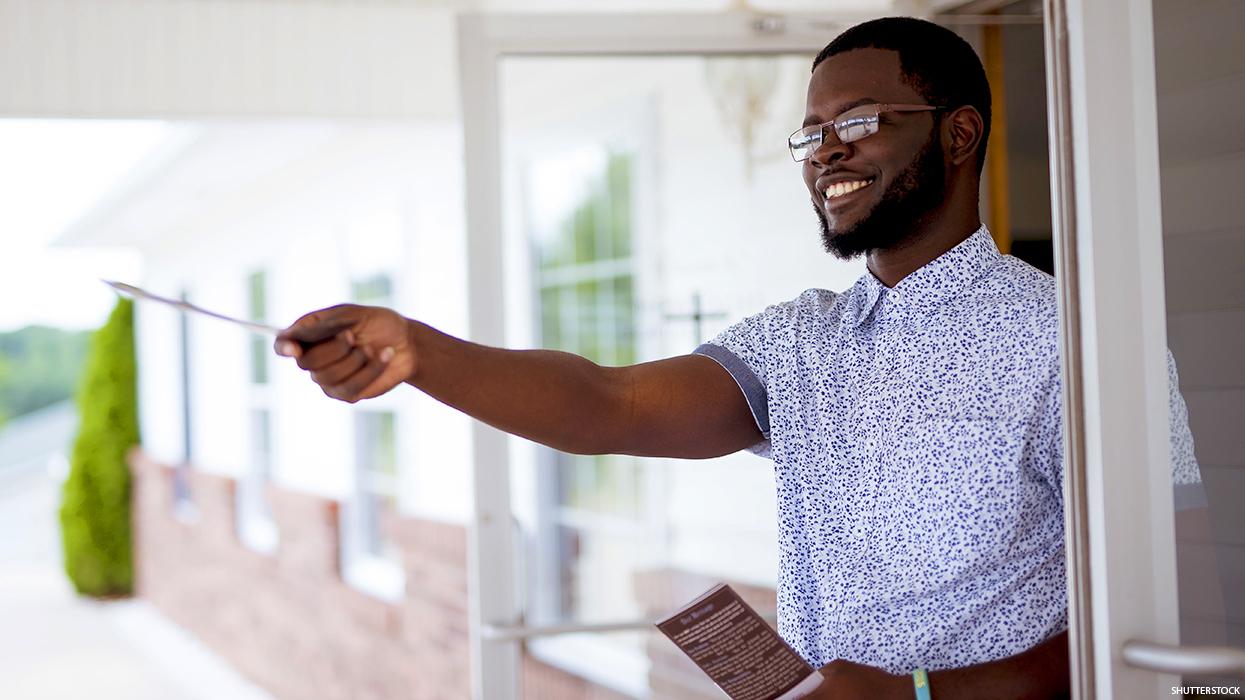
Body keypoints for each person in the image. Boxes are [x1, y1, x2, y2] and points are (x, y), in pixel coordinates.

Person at [274, 17, 1203, 700]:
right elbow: (609, 405)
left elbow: (1170, 607)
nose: (824, 153)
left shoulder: (1076, 341)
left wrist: (918, 693)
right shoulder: (799, 340)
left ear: (958, 135)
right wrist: (421, 353)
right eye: (810, 131)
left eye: (861, 119)